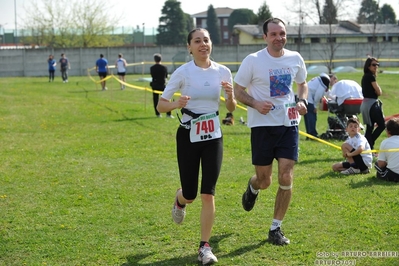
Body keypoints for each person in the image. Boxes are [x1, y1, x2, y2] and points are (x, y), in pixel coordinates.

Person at [156, 28, 236, 265]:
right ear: (189, 47)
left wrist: (230, 96)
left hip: (213, 136)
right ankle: (180, 200)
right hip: (188, 135)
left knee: (208, 193)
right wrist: (176, 104)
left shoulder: (223, 71)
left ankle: (205, 247)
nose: (203, 44)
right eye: (197, 41)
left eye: (207, 40)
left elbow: (231, 108)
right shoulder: (183, 72)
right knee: (191, 194)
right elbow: (161, 106)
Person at [233, 18, 308, 246]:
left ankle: (275, 228)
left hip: (289, 124)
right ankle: (253, 186)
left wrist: (302, 100)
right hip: (262, 126)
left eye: (282, 33)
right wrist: (255, 104)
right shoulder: (253, 60)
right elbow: (237, 91)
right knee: (265, 180)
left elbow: (302, 83)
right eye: (274, 34)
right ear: (265, 37)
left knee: (286, 175)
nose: (279, 38)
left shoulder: (295, 58)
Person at [360, 57, 385, 151]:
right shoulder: (370, 76)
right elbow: (379, 92)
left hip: (365, 104)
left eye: (377, 65)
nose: (376, 67)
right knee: (382, 125)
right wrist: (377, 91)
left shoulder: (365, 76)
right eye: (374, 65)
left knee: (369, 128)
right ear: (368, 66)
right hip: (371, 105)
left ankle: (368, 146)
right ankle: (370, 143)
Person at [304, 73, 330, 138]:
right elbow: (317, 96)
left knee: (307, 117)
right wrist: (315, 106)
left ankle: (309, 134)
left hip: (304, 97)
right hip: (309, 99)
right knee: (312, 116)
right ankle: (312, 134)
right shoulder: (323, 83)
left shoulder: (319, 80)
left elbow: (326, 92)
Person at [374, 118, 399, 182]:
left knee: (377, 164)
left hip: (394, 175)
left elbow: (381, 164)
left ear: (388, 131)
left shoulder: (385, 142)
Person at [150, 53, 173, 118]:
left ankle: (158, 114)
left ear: (154, 60)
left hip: (155, 85)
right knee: (166, 99)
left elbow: (152, 76)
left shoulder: (152, 68)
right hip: (162, 85)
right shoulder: (164, 67)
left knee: (156, 100)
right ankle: (168, 114)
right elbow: (166, 76)